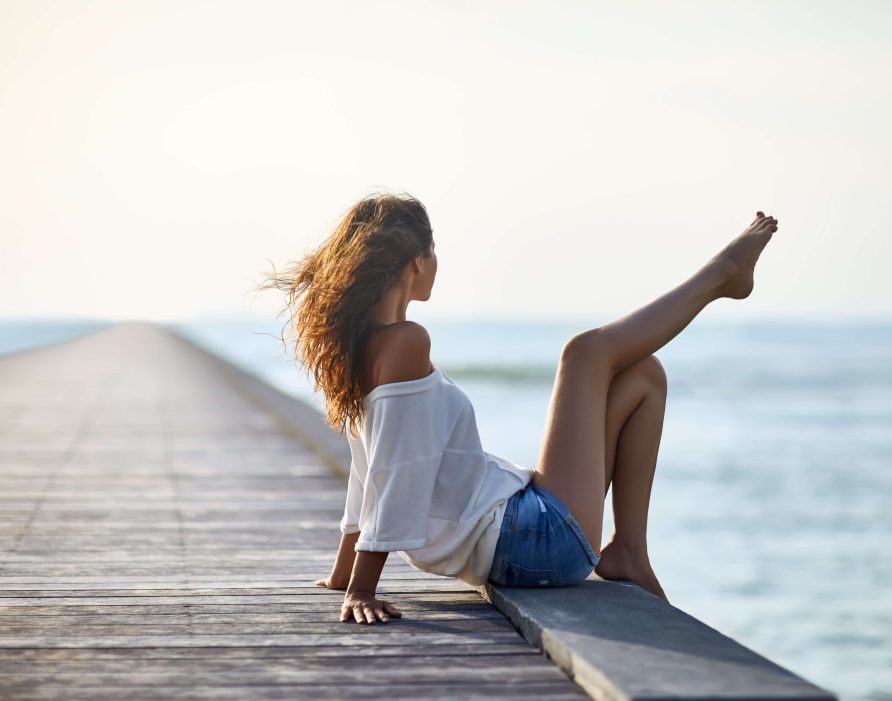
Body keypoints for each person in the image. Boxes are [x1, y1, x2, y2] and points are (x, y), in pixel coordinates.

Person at [262, 191, 778, 625]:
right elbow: (395, 471)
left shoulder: (365, 348)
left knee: (642, 375)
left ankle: (629, 551)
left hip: (520, 531)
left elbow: (366, 472)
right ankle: (720, 275)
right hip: (529, 542)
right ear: (416, 261)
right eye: (435, 250)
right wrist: (360, 588)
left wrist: (342, 572)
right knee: (584, 353)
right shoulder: (405, 343)